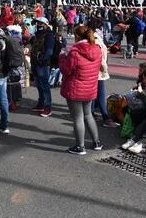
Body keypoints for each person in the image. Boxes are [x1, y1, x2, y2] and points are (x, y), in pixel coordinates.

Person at [60, 25, 102, 155]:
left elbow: (66, 70)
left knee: (78, 118)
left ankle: (80, 146)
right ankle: (96, 142)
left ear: (77, 36)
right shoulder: (97, 49)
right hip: (90, 88)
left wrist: (62, 57)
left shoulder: (75, 52)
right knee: (88, 115)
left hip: (75, 88)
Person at [29, 17, 55, 117]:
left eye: (40, 23)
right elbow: (31, 44)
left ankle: (47, 107)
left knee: (45, 86)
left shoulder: (49, 35)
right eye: (37, 23)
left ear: (45, 25)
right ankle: (41, 104)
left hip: (42, 65)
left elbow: (49, 51)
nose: (38, 25)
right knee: (39, 85)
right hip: (35, 63)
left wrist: (42, 60)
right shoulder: (37, 34)